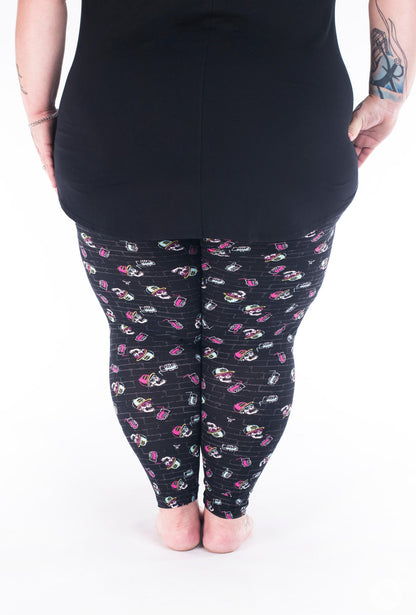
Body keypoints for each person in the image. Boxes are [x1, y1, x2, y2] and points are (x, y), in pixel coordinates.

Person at [15, 0, 415, 554]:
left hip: (119, 128)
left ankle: (174, 513)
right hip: (284, 135)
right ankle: (228, 515)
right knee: (255, 344)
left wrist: (40, 113)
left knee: (147, 341)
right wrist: (388, 94)